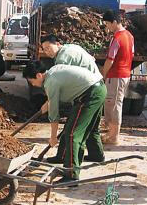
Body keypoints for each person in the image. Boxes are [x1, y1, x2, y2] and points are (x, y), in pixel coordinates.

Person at [23, 61, 106, 184]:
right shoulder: (53, 72)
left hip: (90, 95)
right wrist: (48, 102)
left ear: (39, 75)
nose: (33, 85)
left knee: (73, 134)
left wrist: (52, 137)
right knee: (88, 127)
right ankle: (95, 156)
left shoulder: (50, 83)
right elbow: (54, 97)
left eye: (32, 81)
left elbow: (54, 114)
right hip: (98, 88)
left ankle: (71, 176)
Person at [40, 34, 105, 164]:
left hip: (87, 91)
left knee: (72, 128)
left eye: (48, 47)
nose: (47, 52)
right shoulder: (70, 47)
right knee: (91, 125)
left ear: (57, 44)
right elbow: (91, 57)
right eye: (44, 49)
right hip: (98, 86)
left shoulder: (63, 59)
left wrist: (49, 103)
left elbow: (56, 86)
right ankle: (96, 155)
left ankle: (64, 158)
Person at [102, 10, 134, 145]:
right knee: (112, 104)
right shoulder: (129, 36)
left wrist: (103, 74)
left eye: (108, 24)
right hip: (124, 75)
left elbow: (110, 59)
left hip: (116, 76)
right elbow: (131, 54)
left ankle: (114, 137)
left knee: (114, 105)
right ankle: (110, 133)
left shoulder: (117, 38)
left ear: (114, 22)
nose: (107, 27)